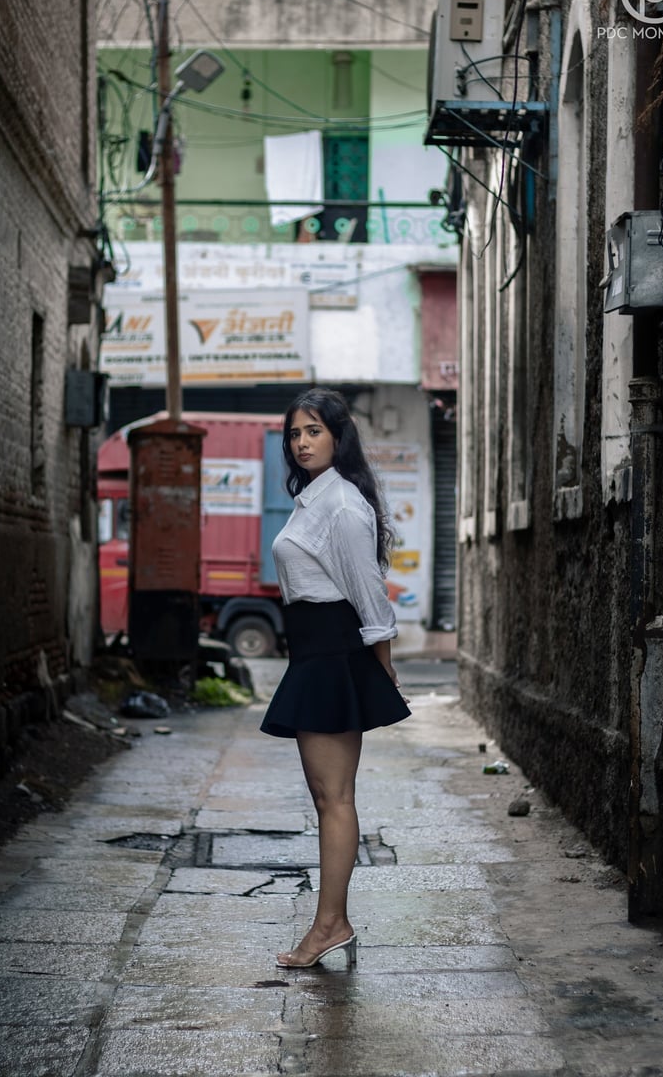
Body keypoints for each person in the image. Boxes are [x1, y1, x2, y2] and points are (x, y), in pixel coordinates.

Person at [260, 388, 411, 968]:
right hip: (314, 654)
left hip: (332, 654)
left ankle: (330, 924)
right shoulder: (316, 501)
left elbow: (369, 591)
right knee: (330, 798)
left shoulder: (343, 505)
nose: (301, 442)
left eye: (313, 431)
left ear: (338, 436)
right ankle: (331, 922)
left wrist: (383, 666)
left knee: (334, 798)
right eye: (295, 433)